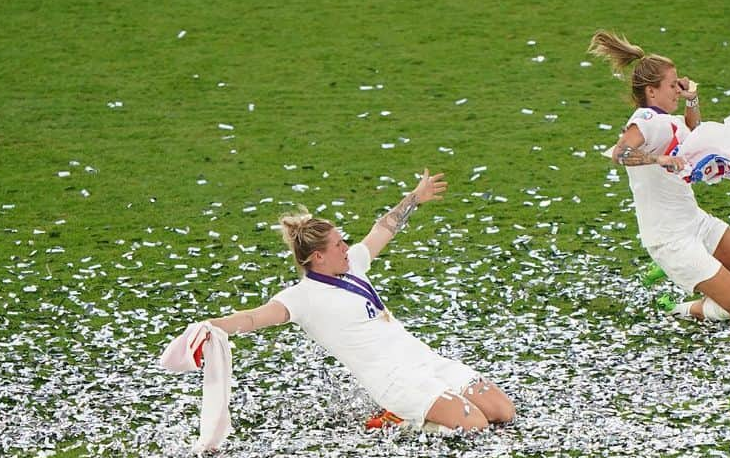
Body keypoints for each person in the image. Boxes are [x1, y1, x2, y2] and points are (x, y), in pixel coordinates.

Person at [205, 169, 516, 432]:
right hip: (396, 381)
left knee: (503, 412)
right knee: (476, 425)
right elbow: (254, 318)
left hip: (423, 360)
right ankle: (399, 418)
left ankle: (415, 415)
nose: (346, 247)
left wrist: (414, 198)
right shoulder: (302, 298)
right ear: (318, 257)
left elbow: (382, 229)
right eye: (339, 244)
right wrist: (211, 326)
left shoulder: (352, 263)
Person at [587, 31, 730, 320]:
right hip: (669, 238)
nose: (677, 89)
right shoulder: (644, 121)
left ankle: (692, 274)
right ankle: (677, 308)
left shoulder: (667, 121)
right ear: (651, 91)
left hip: (694, 221)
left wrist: (692, 99)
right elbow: (619, 154)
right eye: (673, 85)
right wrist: (658, 158)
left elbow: (691, 129)